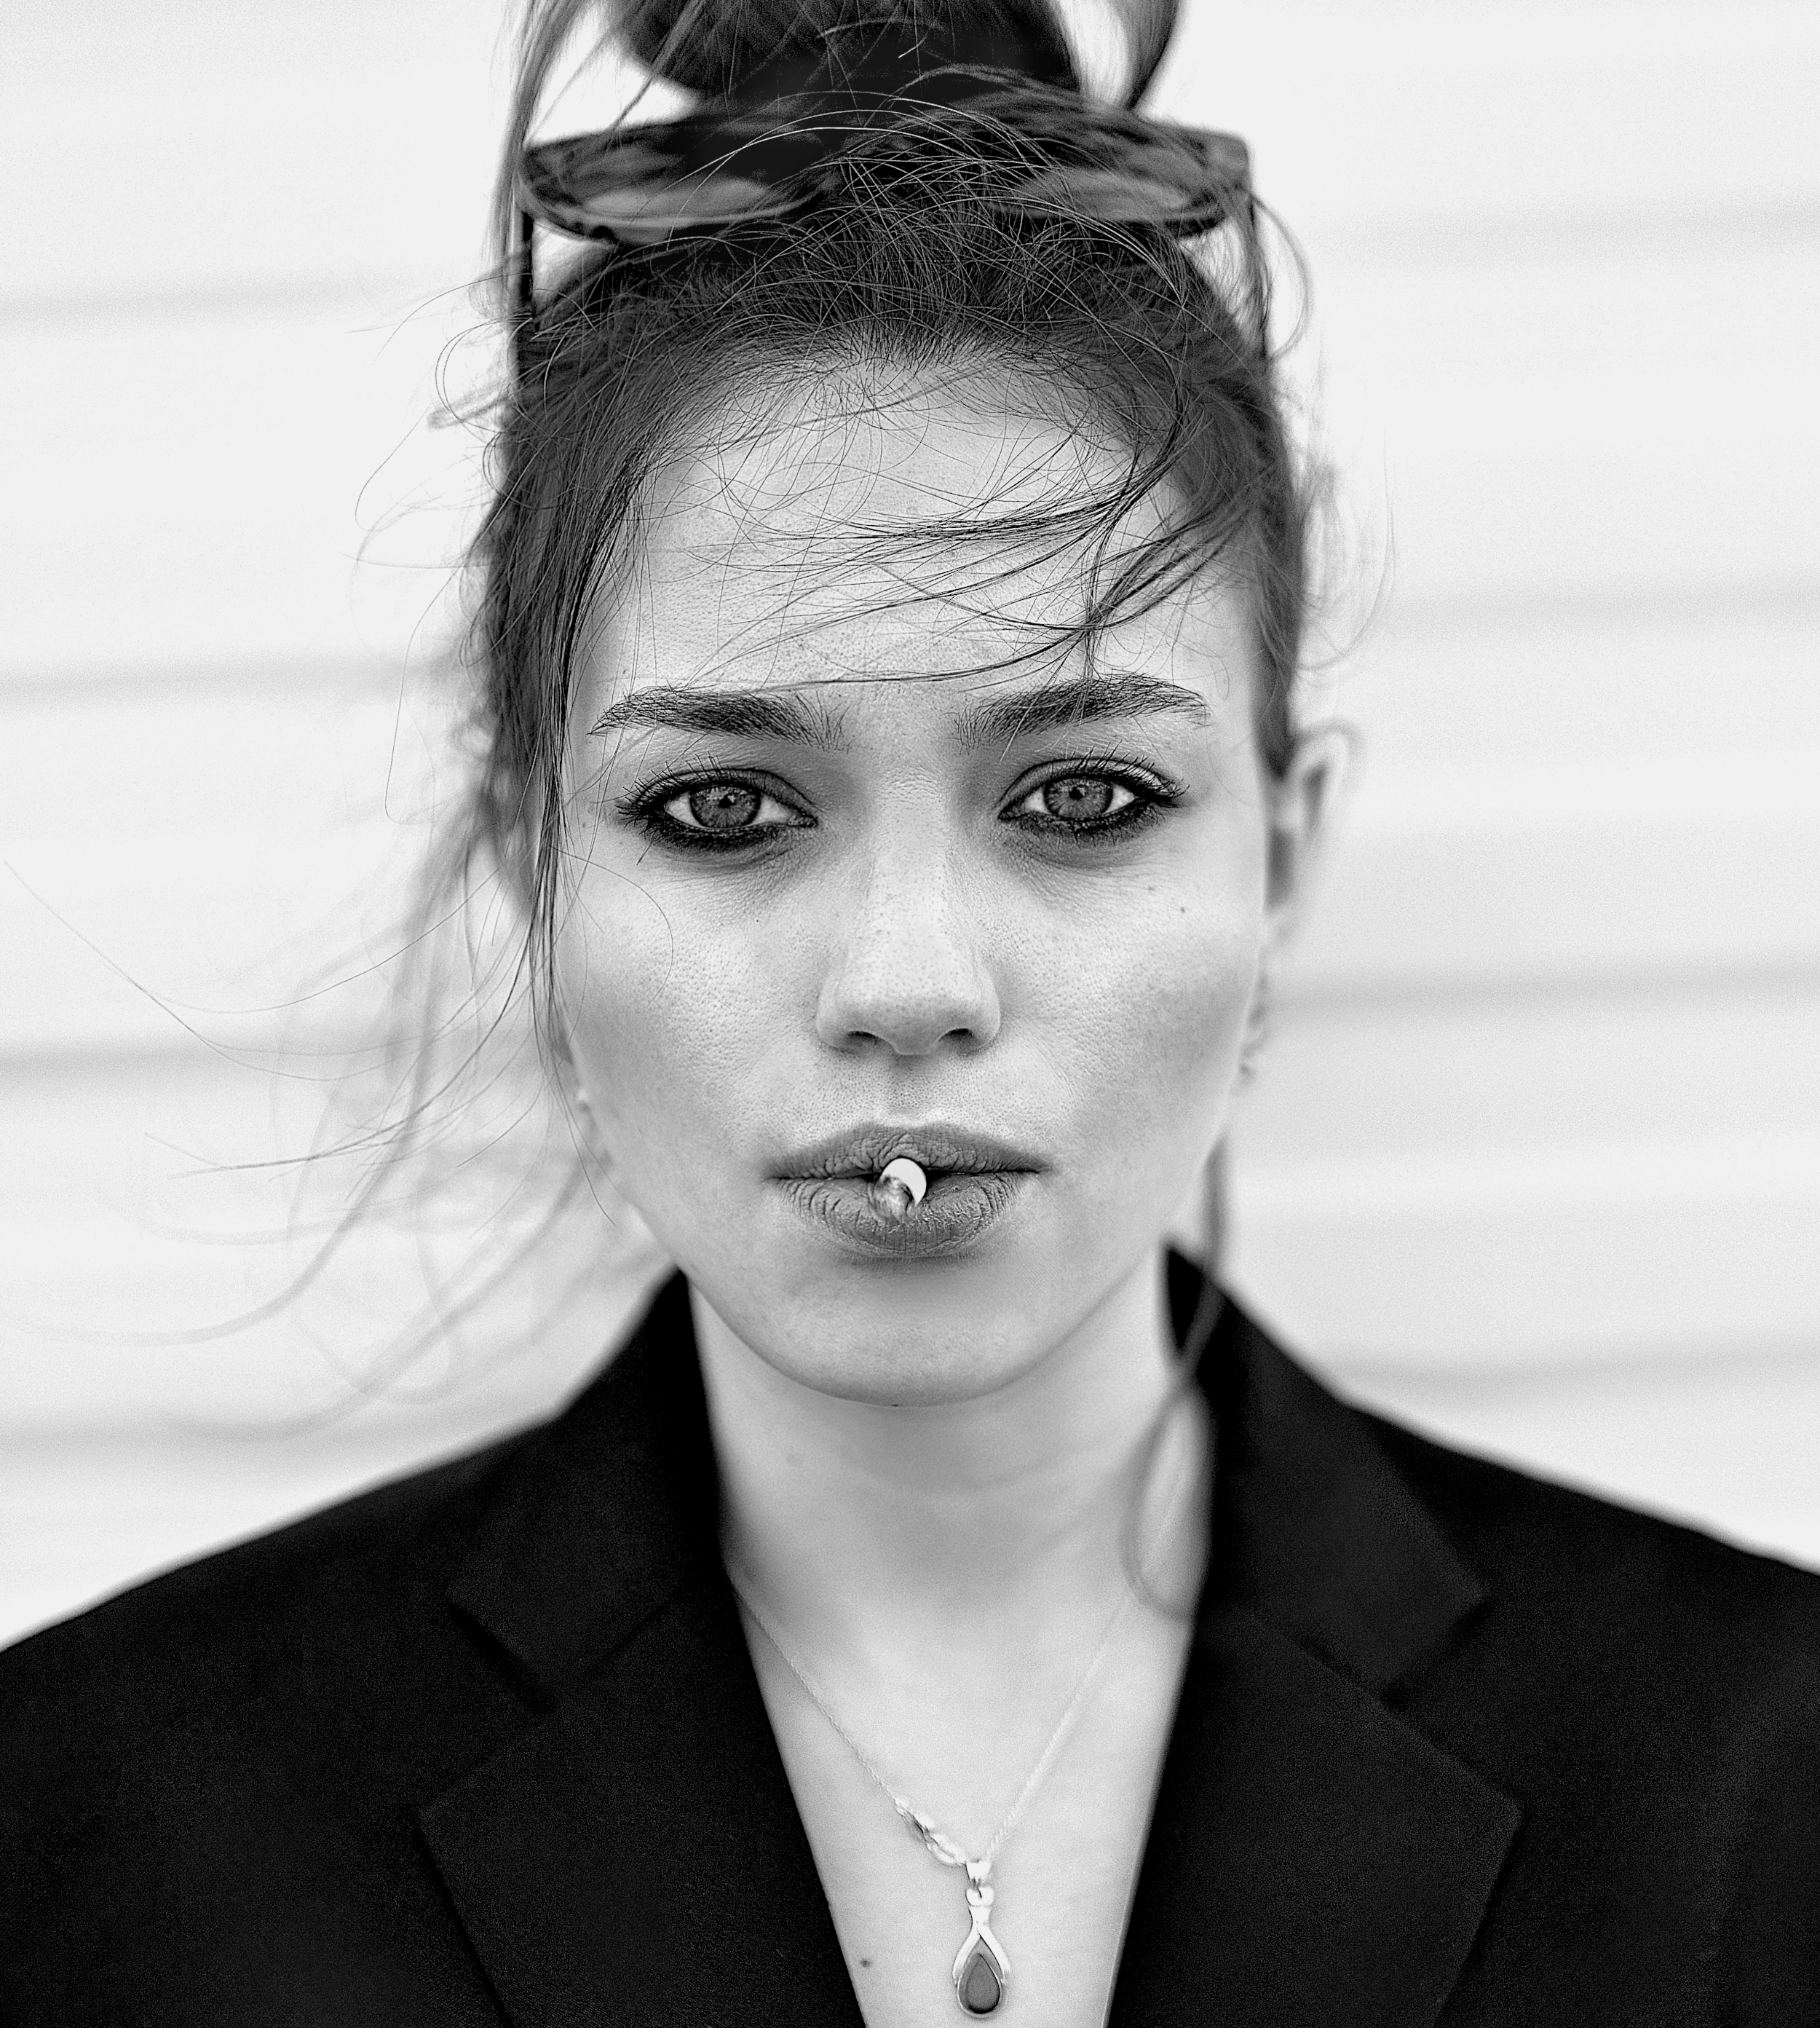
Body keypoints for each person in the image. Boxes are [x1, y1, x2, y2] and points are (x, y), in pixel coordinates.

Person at [3, 0, 1817, 2020]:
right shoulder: (92, 1830)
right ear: (537, 862)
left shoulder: (1761, 1779)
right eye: (720, 809)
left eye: (1081, 800)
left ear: (1284, 857)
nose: (904, 986)